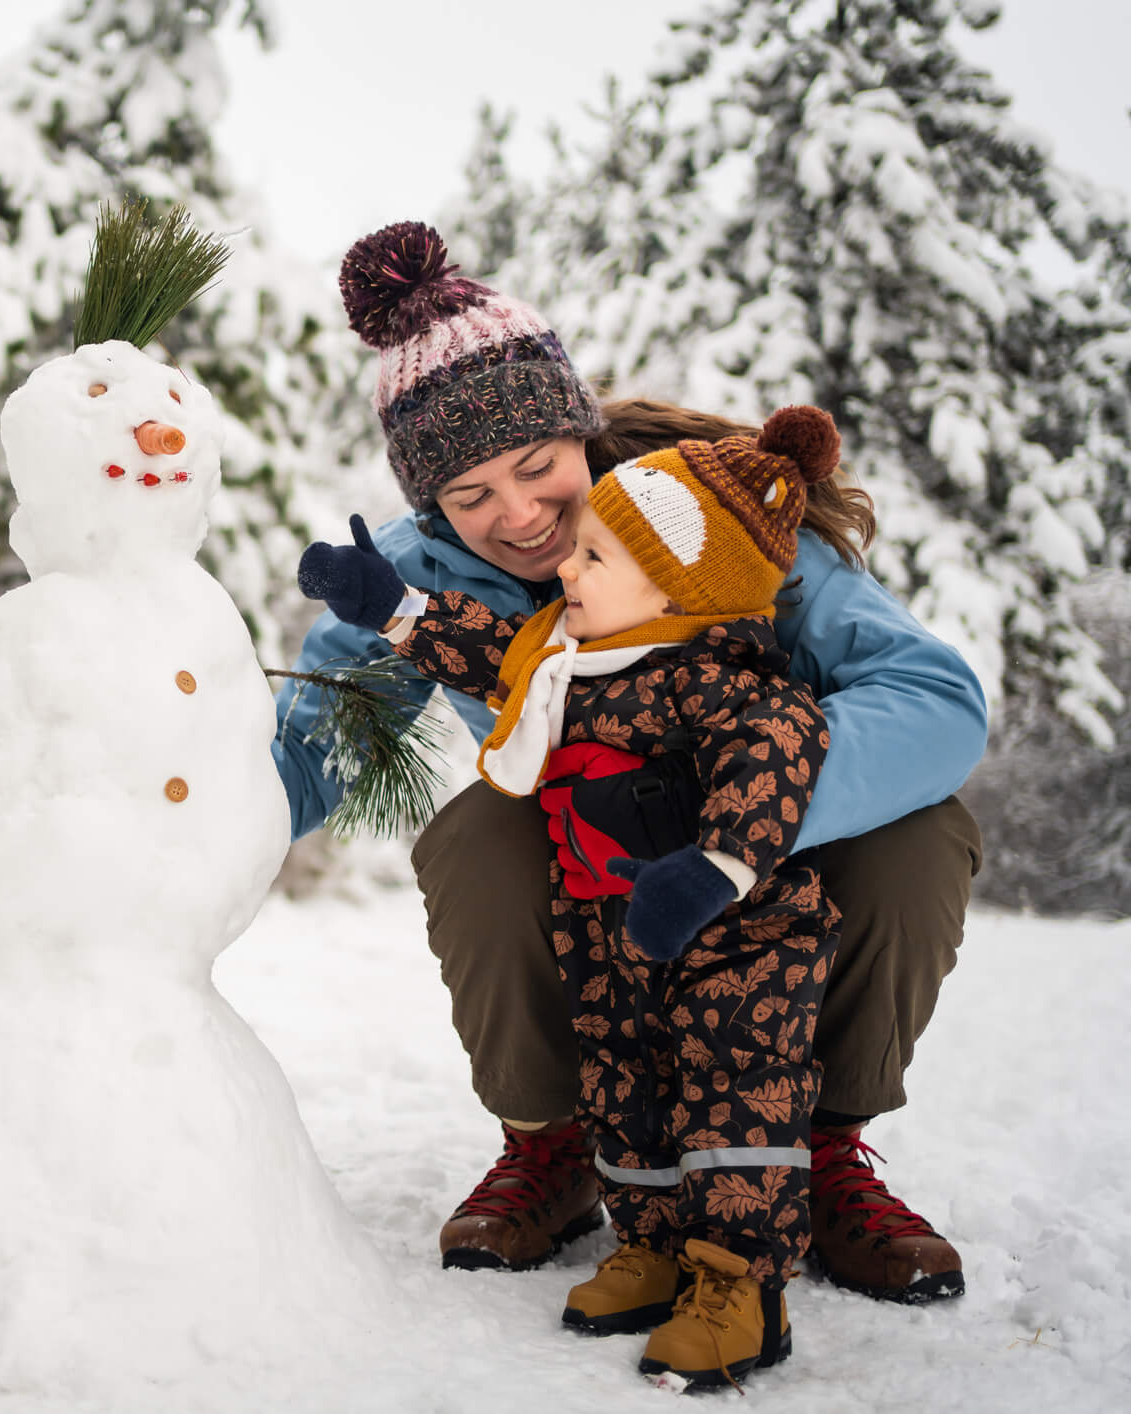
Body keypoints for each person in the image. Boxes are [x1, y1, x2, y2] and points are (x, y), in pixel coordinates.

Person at [271, 221, 984, 1303]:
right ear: (430, 505)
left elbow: (932, 700)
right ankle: (549, 1143)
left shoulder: (705, 518)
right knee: (472, 831)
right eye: (468, 497)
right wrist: (166, 824)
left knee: (922, 829)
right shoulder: (417, 577)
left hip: (763, 853)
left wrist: (734, 825)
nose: (514, 516)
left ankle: (823, 1148)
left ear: (579, 432)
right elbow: (314, 747)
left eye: (536, 467)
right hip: (583, 861)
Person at [301, 406, 845, 1387]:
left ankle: (736, 1288)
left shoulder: (718, 679)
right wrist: (387, 607)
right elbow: (482, 658)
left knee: (732, 1094)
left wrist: (714, 866)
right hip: (606, 926)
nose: (565, 570)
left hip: (731, 937)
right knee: (620, 1085)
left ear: (675, 585)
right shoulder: (573, 663)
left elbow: (777, 756)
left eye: (593, 557)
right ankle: (648, 1242)